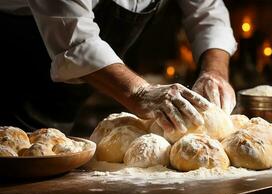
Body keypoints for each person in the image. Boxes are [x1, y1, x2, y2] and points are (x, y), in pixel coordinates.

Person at [0, 0, 237, 135]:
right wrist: (141, 92)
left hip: (66, 106)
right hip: (11, 87)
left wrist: (214, 72)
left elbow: (208, 12)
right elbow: (77, 39)